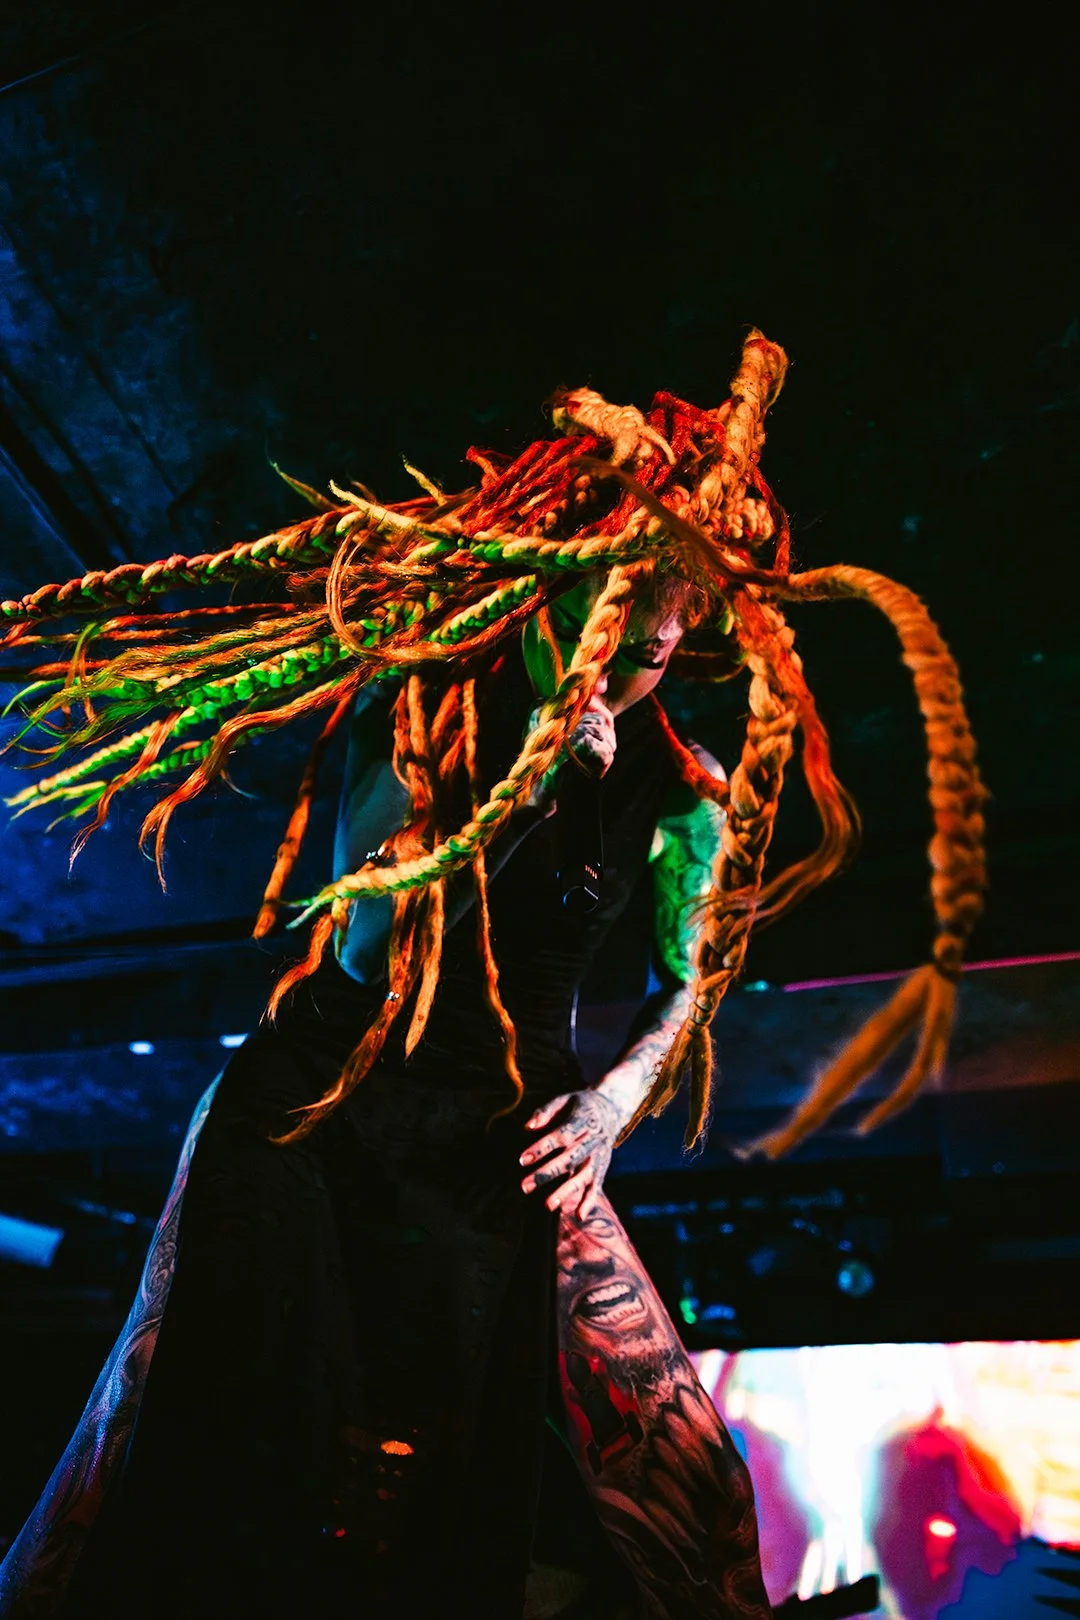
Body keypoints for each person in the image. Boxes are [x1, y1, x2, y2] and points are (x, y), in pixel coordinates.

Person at [0, 332, 986, 1619]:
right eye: (618, 621)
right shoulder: (425, 696)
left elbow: (690, 981)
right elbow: (365, 941)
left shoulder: (679, 788)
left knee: (675, 1487)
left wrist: (614, 1104)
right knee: (232, 1464)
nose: (639, 656)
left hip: (504, 1132)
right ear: (556, 594)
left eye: (663, 635)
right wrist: (517, 795)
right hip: (316, 1111)